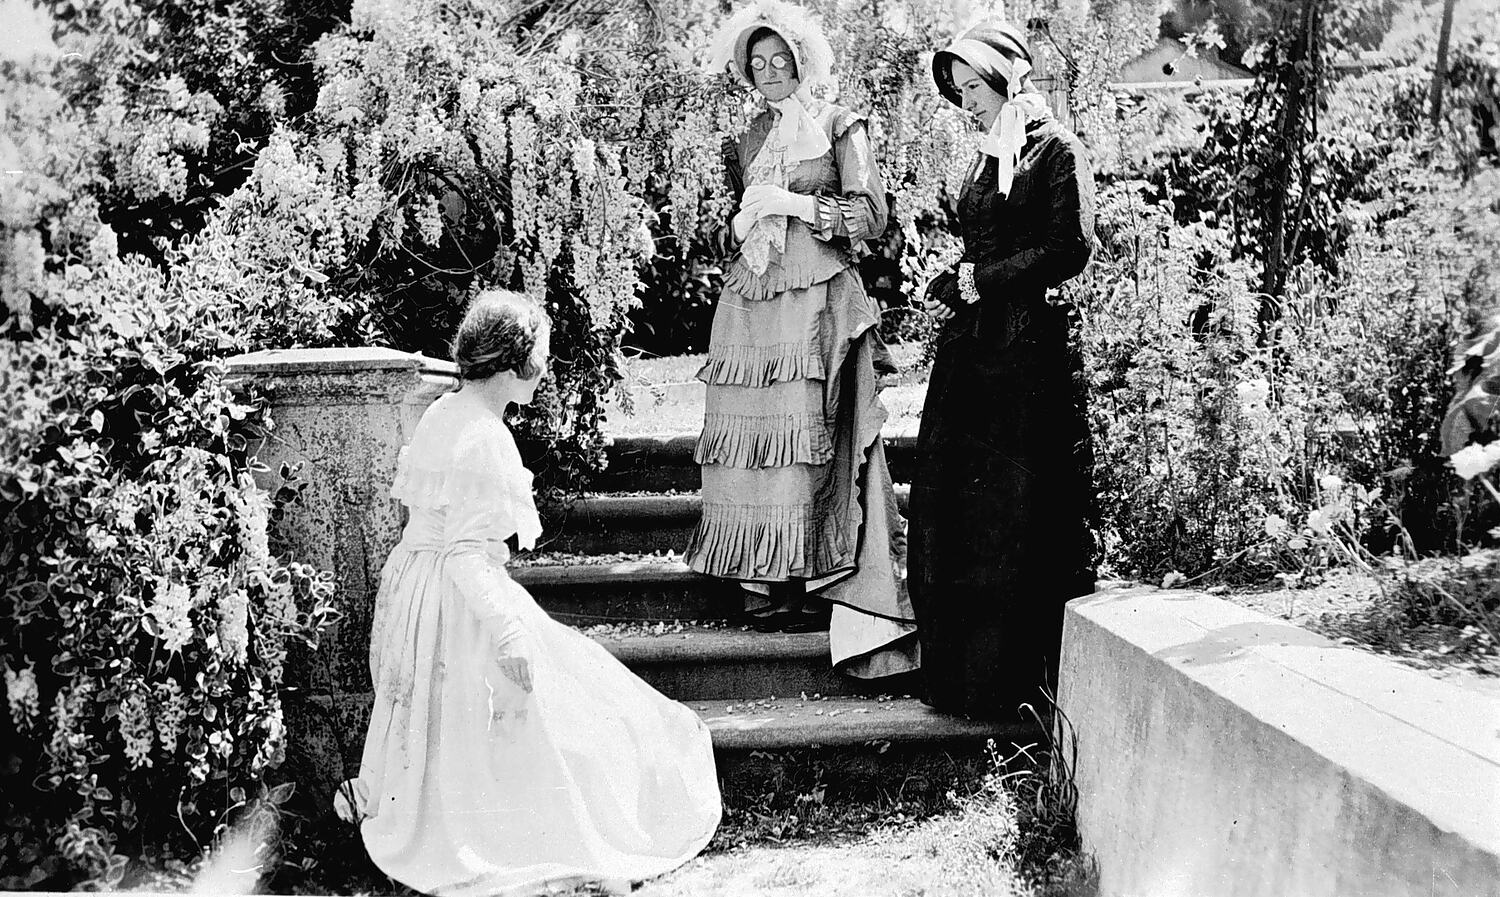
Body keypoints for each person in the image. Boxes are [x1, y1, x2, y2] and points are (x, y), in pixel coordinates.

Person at [336, 290, 720, 896]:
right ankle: (509, 836)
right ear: (514, 363)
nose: (544, 369)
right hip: (456, 593)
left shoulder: (446, 411)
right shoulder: (483, 436)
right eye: (539, 356)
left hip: (419, 585)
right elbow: (465, 553)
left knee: (470, 719)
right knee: (542, 703)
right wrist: (509, 630)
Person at [685, 0, 919, 680]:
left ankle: (819, 581)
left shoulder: (842, 123)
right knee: (757, 439)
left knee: (811, 434)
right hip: (752, 304)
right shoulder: (746, 134)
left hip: (819, 298)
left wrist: (797, 206)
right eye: (756, 64)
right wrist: (736, 225)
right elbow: (721, 222)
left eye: (779, 60)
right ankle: (764, 584)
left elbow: (871, 216)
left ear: (803, 61)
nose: (768, 72)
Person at [908, 21, 1097, 719]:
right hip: (974, 349)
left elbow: (1069, 246)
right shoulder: (988, 154)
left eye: (975, 87)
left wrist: (983, 279)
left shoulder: (1056, 149)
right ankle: (964, 679)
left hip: (1027, 353)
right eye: (958, 91)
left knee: (1014, 511)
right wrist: (956, 277)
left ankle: (1013, 682)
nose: (967, 102)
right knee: (956, 504)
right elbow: (985, 242)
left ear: (1007, 79)